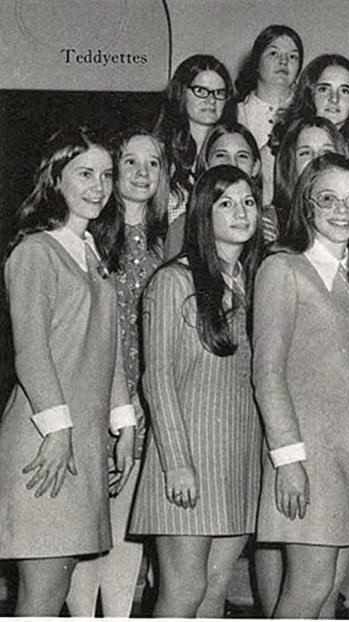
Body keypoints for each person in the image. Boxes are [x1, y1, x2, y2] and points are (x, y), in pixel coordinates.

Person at [0, 127, 134, 616]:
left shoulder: (94, 254)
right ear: (55, 179)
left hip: (81, 442)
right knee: (42, 593)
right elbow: (31, 352)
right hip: (46, 442)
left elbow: (110, 348)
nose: (98, 186)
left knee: (56, 591)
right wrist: (58, 434)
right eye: (84, 174)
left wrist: (124, 422)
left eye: (105, 175)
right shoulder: (35, 251)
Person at [129, 165, 263, 617]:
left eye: (248, 202)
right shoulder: (173, 281)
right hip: (188, 460)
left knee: (215, 589)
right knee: (184, 591)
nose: (240, 212)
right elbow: (158, 378)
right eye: (226, 203)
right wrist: (177, 464)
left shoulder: (251, 281)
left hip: (236, 462)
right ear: (204, 215)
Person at [252, 153, 349, 618]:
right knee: (308, 588)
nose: (342, 211)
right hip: (306, 460)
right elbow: (267, 372)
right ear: (306, 206)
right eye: (328, 199)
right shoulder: (283, 269)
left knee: (328, 594)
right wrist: (287, 460)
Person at [66, 129, 168, 617]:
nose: (142, 173)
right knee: (91, 523)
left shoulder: (167, 242)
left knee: (129, 523)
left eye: (153, 163)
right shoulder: (91, 239)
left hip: (148, 398)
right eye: (130, 162)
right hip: (101, 392)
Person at [262, 54, 349, 209]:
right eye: (324, 89)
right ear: (310, 94)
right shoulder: (275, 149)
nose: (334, 99)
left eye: (345, 91)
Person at [156, 54, 234, 244]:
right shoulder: (159, 153)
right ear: (181, 92)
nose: (211, 100)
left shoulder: (232, 153)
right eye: (201, 90)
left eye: (219, 92)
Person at [235, 25, 304, 150]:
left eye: (292, 56)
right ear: (256, 62)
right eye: (273, 53)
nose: (284, 61)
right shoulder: (235, 113)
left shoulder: (307, 112)